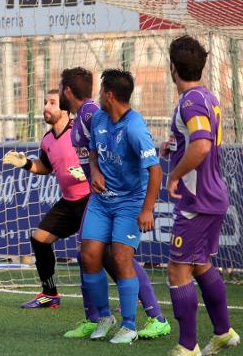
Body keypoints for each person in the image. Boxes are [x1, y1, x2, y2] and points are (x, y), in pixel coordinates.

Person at [59, 67, 170, 340]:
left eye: (100, 91)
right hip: (100, 200)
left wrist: (147, 209)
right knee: (89, 255)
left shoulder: (135, 127)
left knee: (121, 259)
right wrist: (95, 172)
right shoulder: (98, 119)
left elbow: (155, 171)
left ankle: (129, 326)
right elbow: (94, 152)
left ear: (109, 95)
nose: (97, 96)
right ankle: (105, 317)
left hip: (129, 203)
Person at [162, 36, 240, 356]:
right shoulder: (207, 97)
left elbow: (202, 144)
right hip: (213, 195)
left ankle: (187, 347)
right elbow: (195, 139)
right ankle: (223, 332)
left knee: (177, 269)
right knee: (200, 264)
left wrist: (175, 174)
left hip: (197, 200)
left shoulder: (190, 101)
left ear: (172, 68)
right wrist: (173, 146)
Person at [3, 90, 90, 310]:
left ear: (65, 108)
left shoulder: (79, 132)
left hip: (91, 199)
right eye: (45, 103)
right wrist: (25, 164)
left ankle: (132, 292)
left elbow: (97, 156)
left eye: (52, 103)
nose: (46, 107)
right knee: (39, 238)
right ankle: (50, 294)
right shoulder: (47, 140)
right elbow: (45, 167)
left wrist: (86, 173)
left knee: (99, 251)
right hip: (69, 202)